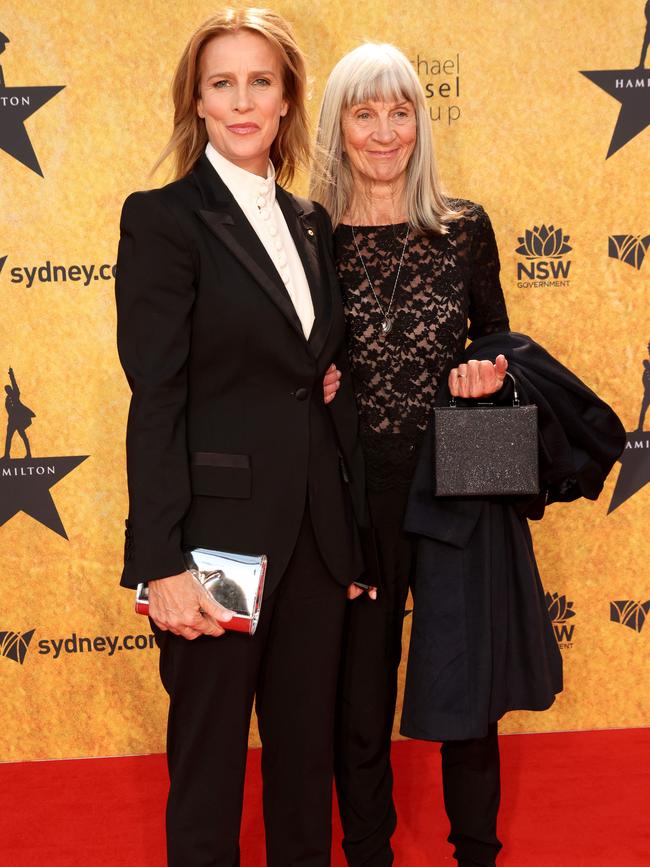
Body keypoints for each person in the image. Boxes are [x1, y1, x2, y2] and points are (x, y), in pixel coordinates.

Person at [115, 10, 368, 866]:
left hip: (315, 544)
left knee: (305, 772)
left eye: (261, 80)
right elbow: (157, 396)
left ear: (290, 97)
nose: (243, 100)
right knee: (209, 770)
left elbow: (310, 373)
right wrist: (161, 563)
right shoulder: (163, 219)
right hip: (212, 546)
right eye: (221, 83)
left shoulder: (310, 224)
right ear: (196, 102)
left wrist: (352, 537)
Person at [310, 43, 572, 867]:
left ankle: (477, 854)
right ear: (337, 125)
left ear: (421, 120)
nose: (385, 131)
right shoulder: (309, 233)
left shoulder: (465, 226)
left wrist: (490, 375)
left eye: (401, 111)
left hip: (463, 478)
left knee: (470, 693)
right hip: (356, 489)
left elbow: (502, 347)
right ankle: (368, 855)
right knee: (359, 700)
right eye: (364, 112)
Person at [3, 367, 35, 460]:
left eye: (8, 389)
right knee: (8, 438)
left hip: (19, 420)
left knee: (23, 436)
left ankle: (29, 454)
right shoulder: (7, 400)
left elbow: (14, 383)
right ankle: (7, 455)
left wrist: (11, 374)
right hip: (12, 421)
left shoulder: (15, 394)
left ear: (11, 389)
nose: (7, 390)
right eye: (6, 390)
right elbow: (8, 411)